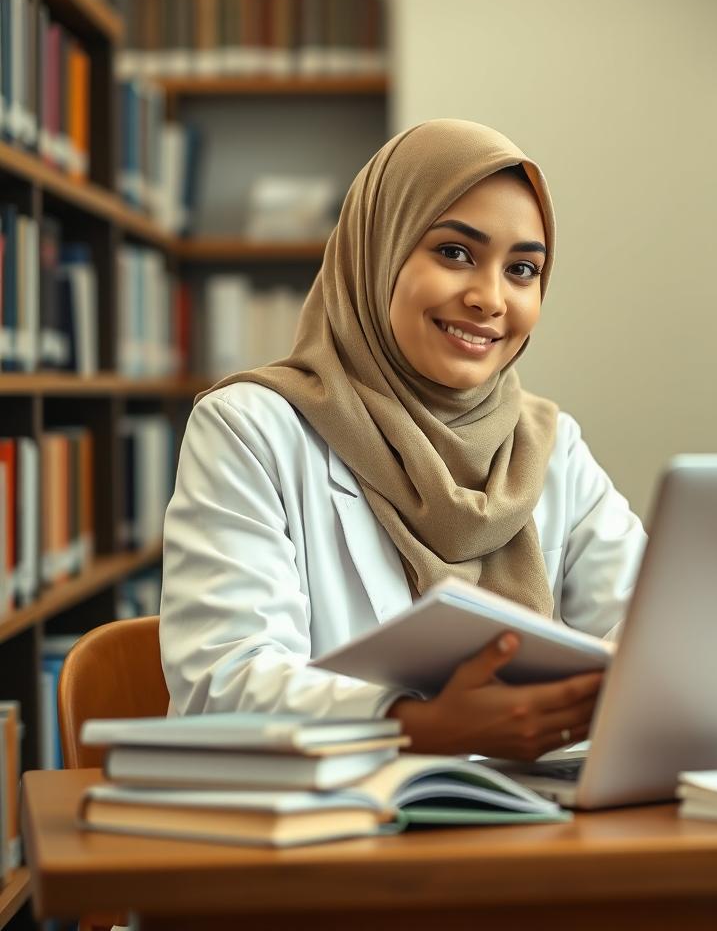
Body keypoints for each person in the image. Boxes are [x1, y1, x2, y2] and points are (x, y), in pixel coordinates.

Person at [160, 119, 647, 761]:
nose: (490, 298)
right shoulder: (250, 427)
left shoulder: (549, 446)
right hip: (335, 830)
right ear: (378, 249)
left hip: (529, 829)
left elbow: (649, 629)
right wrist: (408, 724)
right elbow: (222, 684)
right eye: (454, 253)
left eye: (523, 269)